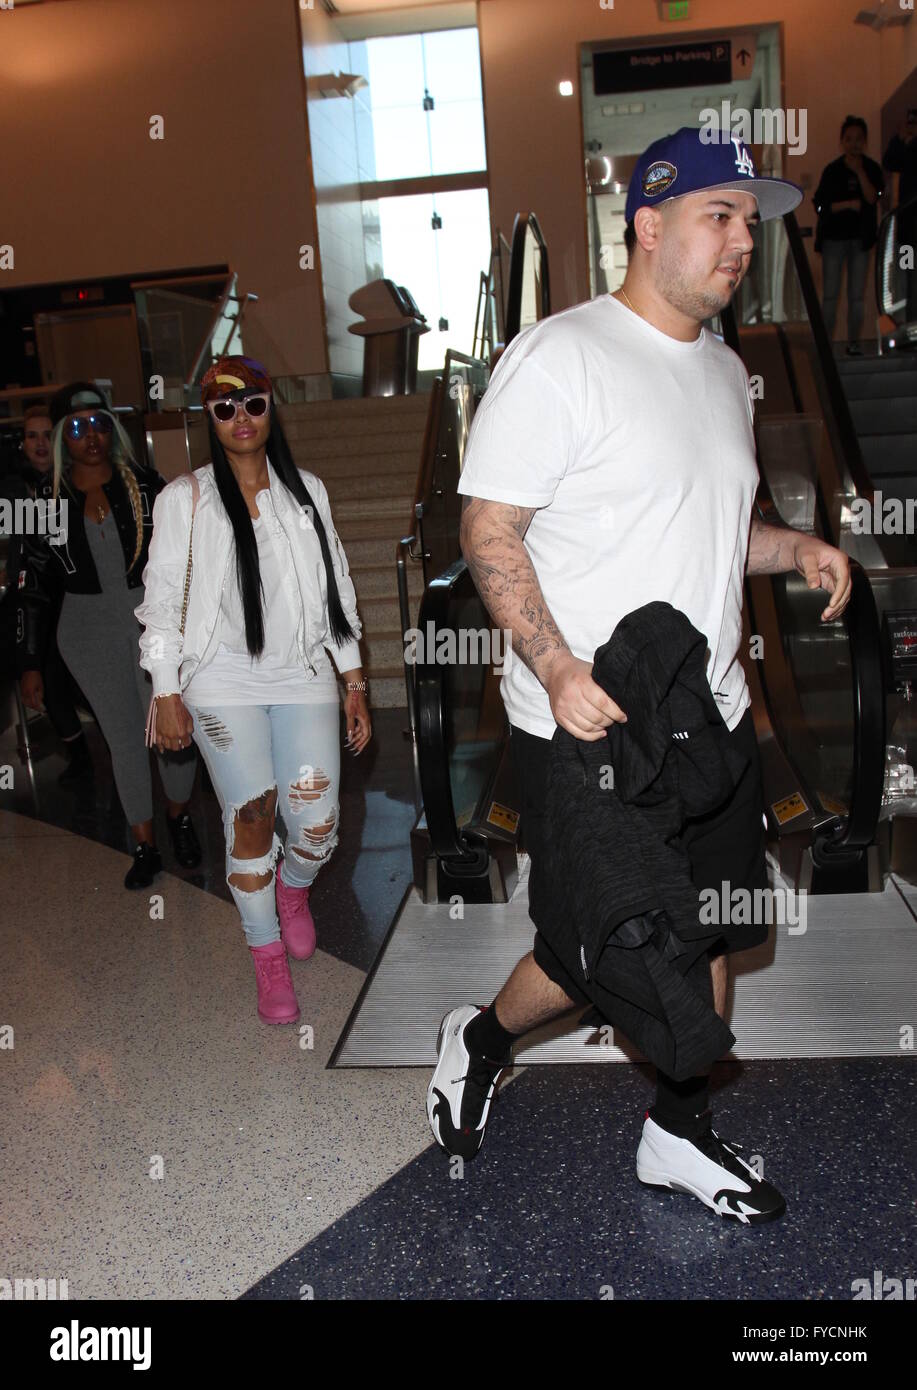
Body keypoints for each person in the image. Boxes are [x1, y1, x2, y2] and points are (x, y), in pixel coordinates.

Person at [427, 127, 852, 1224]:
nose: (740, 244)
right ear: (647, 226)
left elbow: (706, 528)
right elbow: (488, 529)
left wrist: (791, 548)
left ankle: (675, 1127)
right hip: (590, 723)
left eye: (750, 226)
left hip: (704, 714)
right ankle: (477, 1038)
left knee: (706, 922)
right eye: (719, 218)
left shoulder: (723, 370)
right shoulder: (561, 356)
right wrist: (556, 663)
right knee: (602, 944)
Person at [136, 356, 371, 1026]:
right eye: (224, 407)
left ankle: (292, 890)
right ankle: (265, 954)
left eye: (254, 404)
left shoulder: (308, 493)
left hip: (302, 674)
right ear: (209, 418)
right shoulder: (184, 498)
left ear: (272, 407)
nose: (241, 418)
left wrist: (353, 678)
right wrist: (167, 687)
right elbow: (160, 602)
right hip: (221, 680)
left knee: (318, 825)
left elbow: (337, 590)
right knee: (251, 820)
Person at [17, 382, 201, 885]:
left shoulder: (147, 484)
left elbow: (186, 558)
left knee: (172, 734)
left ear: (113, 428)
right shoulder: (45, 502)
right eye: (77, 428)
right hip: (85, 631)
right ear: (61, 437)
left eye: (100, 423)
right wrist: (29, 663)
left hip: (151, 620)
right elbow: (33, 585)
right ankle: (144, 847)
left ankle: (179, 817)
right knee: (123, 740)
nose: (91, 436)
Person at [1, 406, 89, 781]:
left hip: (77, 599)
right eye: (32, 435)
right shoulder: (13, 487)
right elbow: (24, 549)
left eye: (45, 434)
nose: (39, 443)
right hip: (36, 599)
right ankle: (81, 757)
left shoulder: (76, 480)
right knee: (46, 678)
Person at [813, 115, 885, 355]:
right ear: (842, 142)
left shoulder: (872, 168)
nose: (854, 144)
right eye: (849, 139)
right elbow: (820, 205)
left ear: (864, 142)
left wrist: (860, 173)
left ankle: (854, 343)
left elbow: (873, 198)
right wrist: (845, 206)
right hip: (834, 240)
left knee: (857, 297)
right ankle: (826, 347)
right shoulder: (832, 171)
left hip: (861, 241)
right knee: (831, 296)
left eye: (858, 139)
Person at [882, 108, 917, 324]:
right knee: (906, 280)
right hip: (907, 231)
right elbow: (890, 162)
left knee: (913, 281)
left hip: (910, 228)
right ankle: (909, 327)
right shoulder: (904, 147)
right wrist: (900, 138)